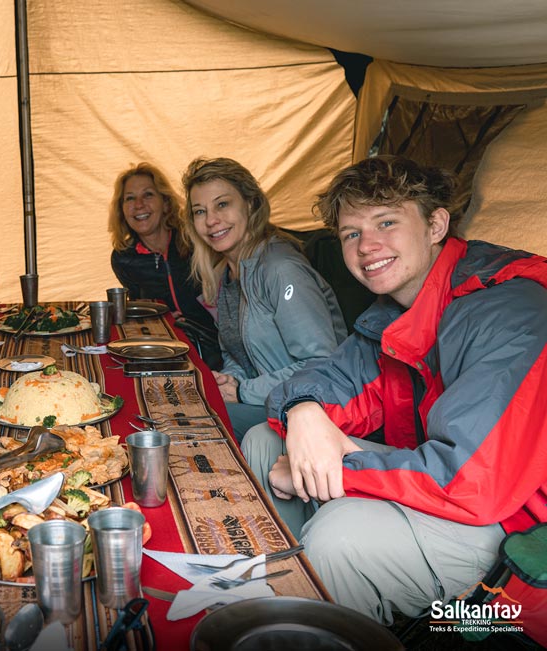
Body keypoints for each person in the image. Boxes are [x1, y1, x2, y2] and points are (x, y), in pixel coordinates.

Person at [242, 155, 547, 627]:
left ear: (436, 225)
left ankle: (323, 604)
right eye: (351, 233)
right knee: (266, 441)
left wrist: (339, 469)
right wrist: (304, 411)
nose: (367, 245)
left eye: (387, 222)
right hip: (455, 489)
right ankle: (291, 605)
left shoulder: (509, 311)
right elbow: (328, 383)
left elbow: (472, 482)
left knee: (340, 537)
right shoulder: (396, 311)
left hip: (521, 527)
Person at [183, 157, 346, 440]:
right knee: (177, 411)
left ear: (250, 203)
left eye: (222, 204)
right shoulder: (227, 274)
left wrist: (242, 391)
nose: (211, 220)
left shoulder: (281, 268)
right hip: (267, 400)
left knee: (195, 426)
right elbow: (237, 354)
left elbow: (321, 363)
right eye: (200, 211)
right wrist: (230, 379)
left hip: (311, 407)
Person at [109, 163, 222, 369]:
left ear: (166, 204)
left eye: (148, 195)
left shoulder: (196, 240)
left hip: (219, 345)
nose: (139, 204)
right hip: (171, 349)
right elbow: (142, 313)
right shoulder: (123, 259)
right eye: (130, 198)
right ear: (122, 209)